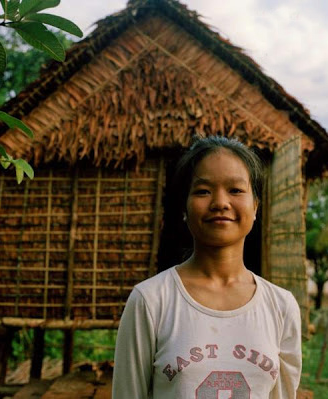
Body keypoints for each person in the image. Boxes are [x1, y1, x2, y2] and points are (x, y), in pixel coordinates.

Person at [112, 136, 302, 399]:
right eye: (203, 191)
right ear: (184, 207)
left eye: (235, 190)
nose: (220, 203)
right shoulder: (152, 300)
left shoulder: (281, 307)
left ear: (255, 206)